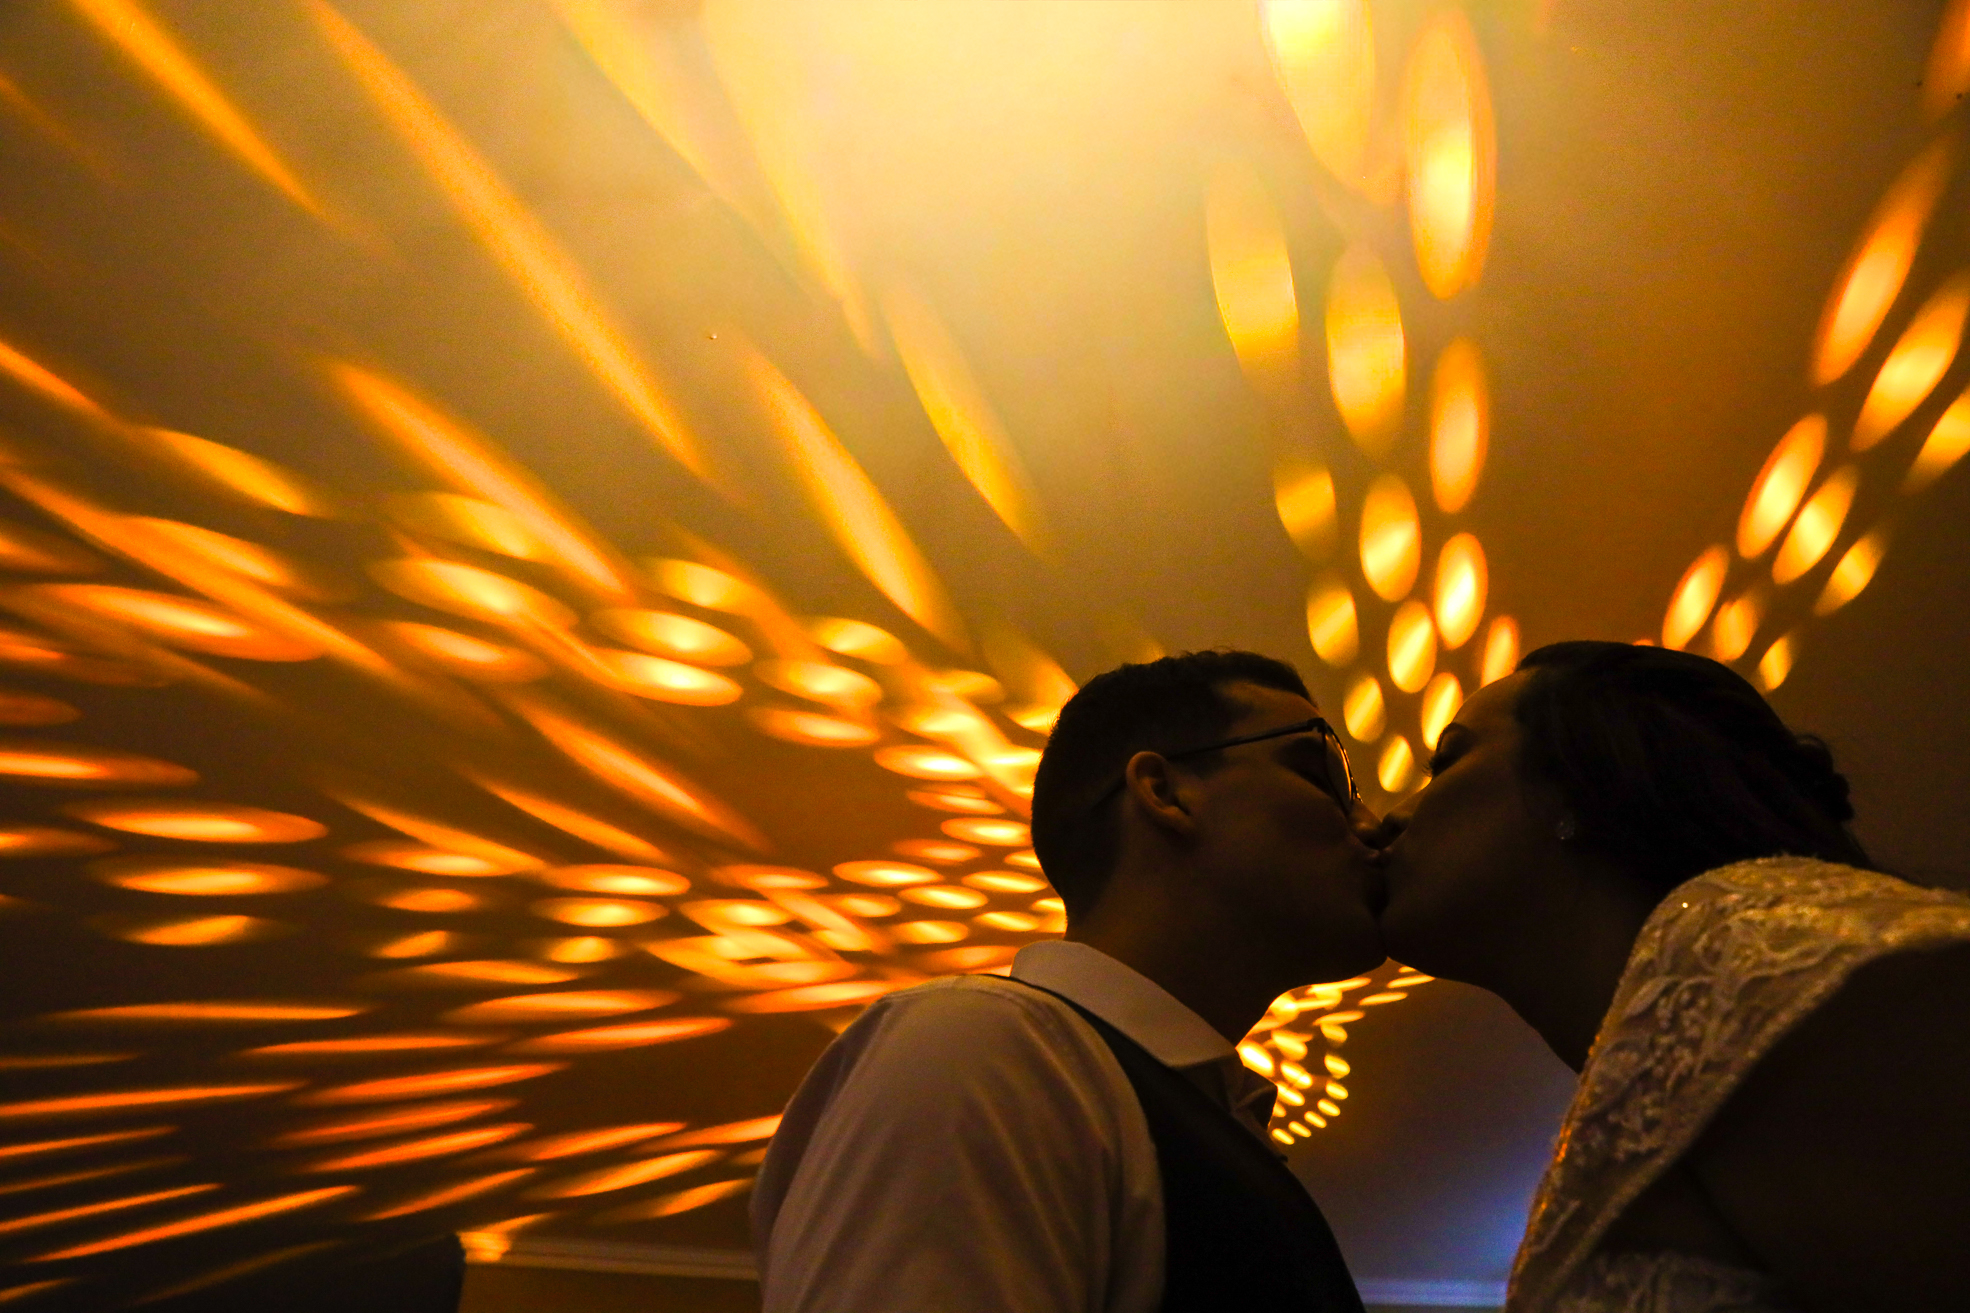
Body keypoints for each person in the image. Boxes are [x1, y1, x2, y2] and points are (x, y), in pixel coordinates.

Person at [752, 650, 1386, 1312]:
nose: (1371, 826)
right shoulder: (983, 1048)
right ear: (1165, 792)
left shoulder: (1187, 1118)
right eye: (1323, 773)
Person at [1376, 640, 1970, 1312]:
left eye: (1446, 763)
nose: (1391, 816)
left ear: (1579, 787)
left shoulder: (1748, 941)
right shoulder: (1643, 1073)